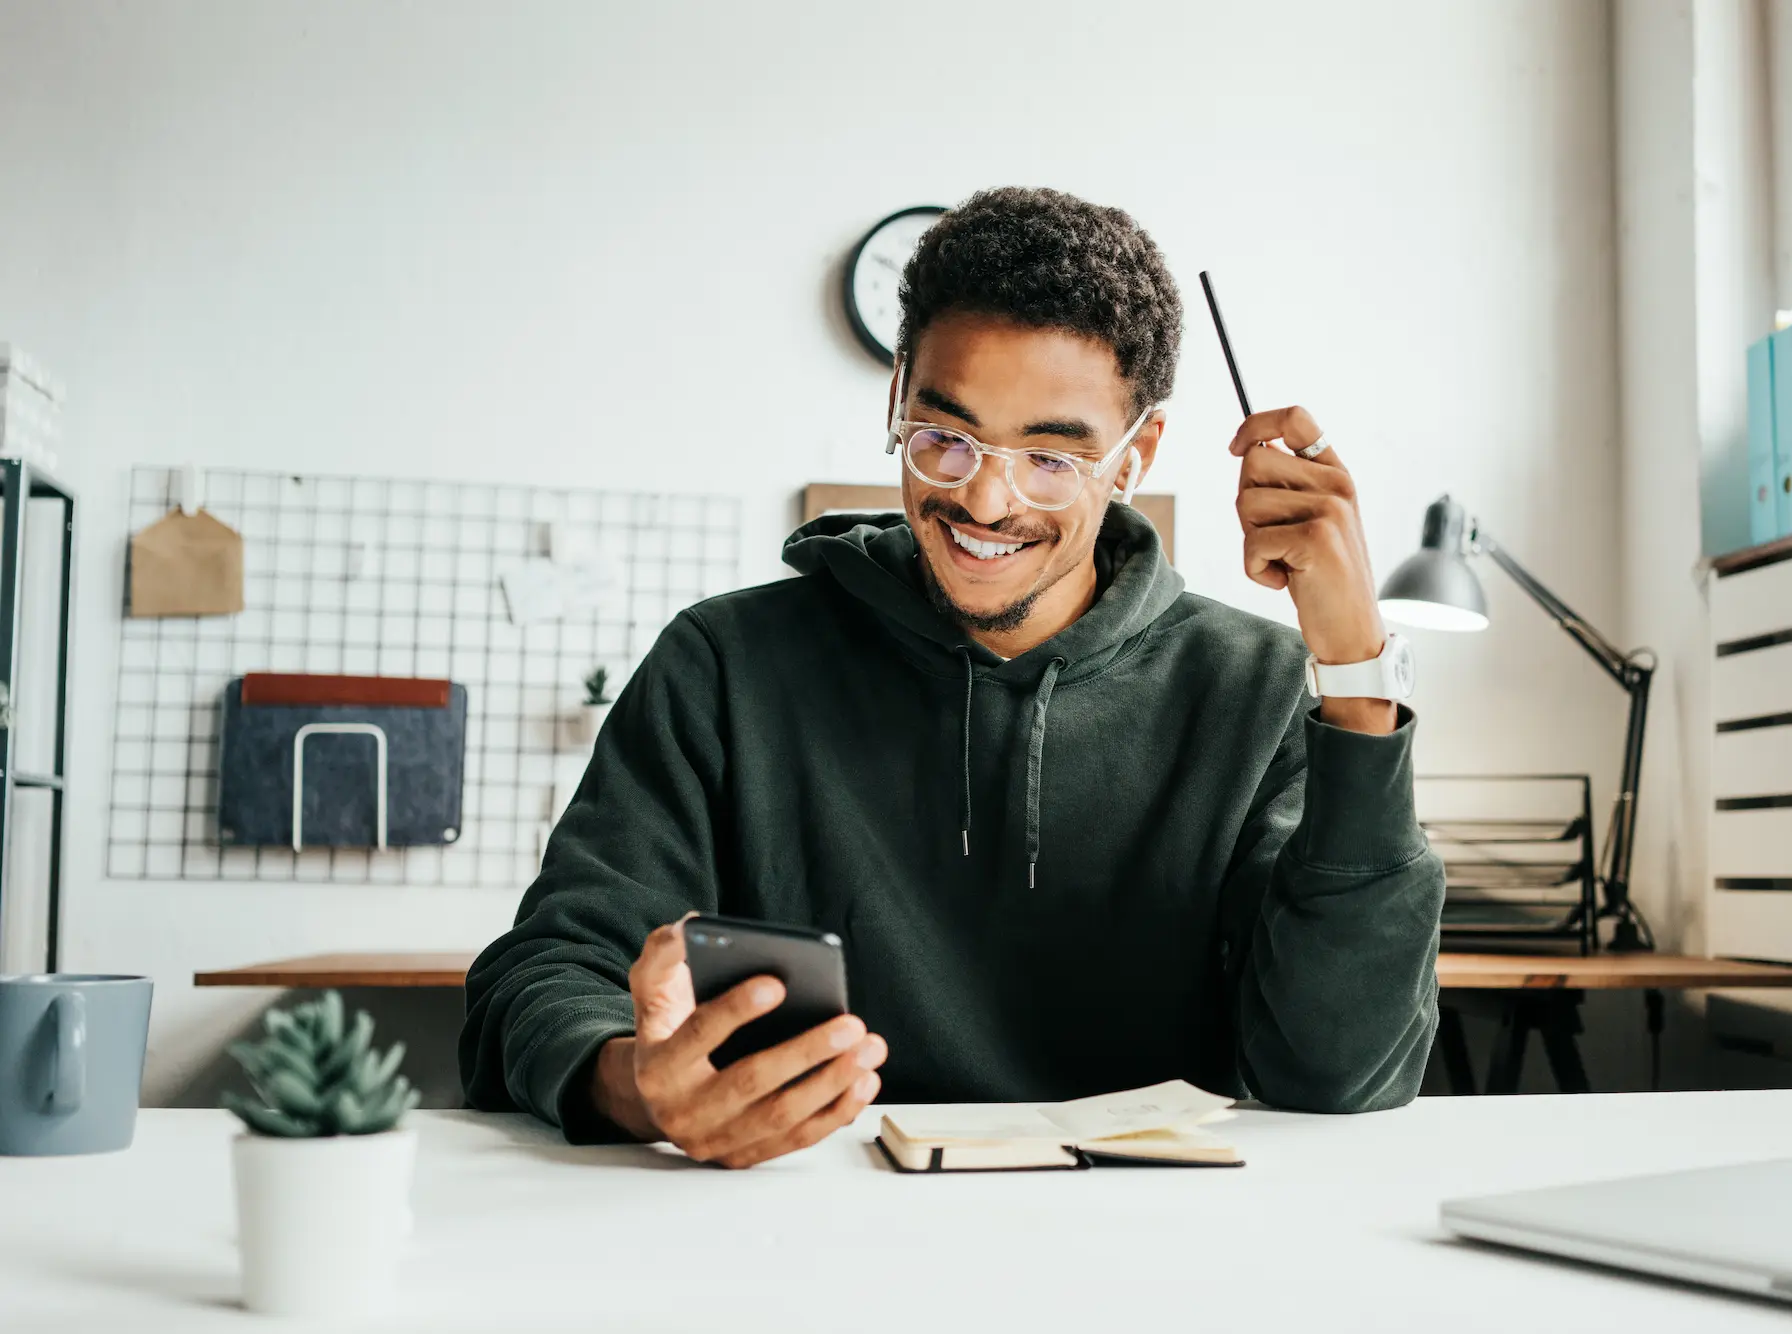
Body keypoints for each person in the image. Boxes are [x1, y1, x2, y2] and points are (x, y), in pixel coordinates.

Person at [460, 187, 1445, 1168]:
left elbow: (1340, 1071)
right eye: (945, 437)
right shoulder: (724, 664)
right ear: (897, 399)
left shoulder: (1257, 689)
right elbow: (545, 973)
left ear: (1133, 454)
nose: (982, 497)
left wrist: (1355, 680)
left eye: (1050, 459)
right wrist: (639, 1083)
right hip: (795, 1237)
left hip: (1148, 1246)